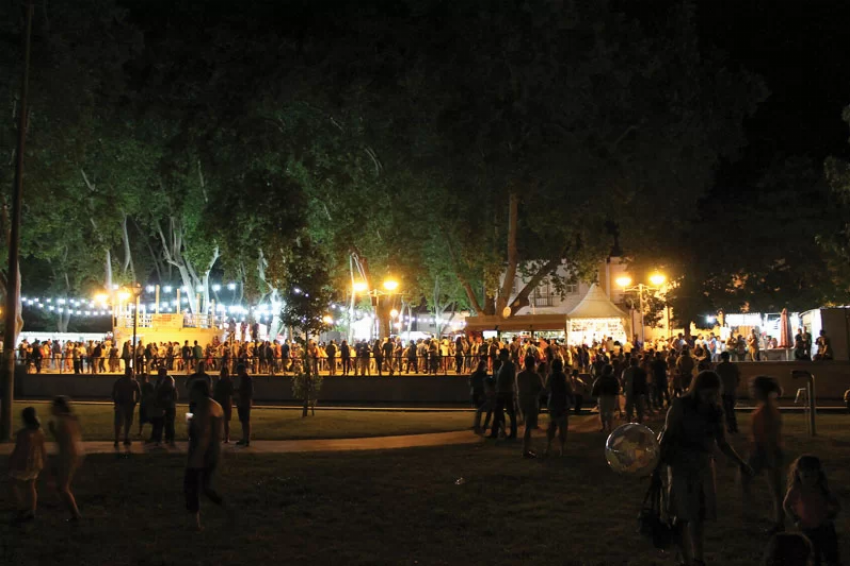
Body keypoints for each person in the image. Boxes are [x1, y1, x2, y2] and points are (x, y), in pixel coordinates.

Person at [658, 371, 754, 566]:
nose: (709, 398)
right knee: (683, 514)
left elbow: (722, 442)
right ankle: (686, 558)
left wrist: (740, 463)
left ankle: (697, 558)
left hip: (702, 465)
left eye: (713, 394)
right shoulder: (681, 406)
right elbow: (668, 436)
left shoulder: (714, 411)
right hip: (682, 466)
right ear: (697, 390)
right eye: (706, 394)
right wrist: (658, 465)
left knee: (698, 515)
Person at [742, 376, 785, 535]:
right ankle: (774, 518)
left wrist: (769, 454)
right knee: (774, 488)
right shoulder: (767, 408)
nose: (751, 391)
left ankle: (762, 515)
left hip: (765, 451)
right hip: (766, 450)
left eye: (753, 388)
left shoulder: (765, 411)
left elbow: (768, 435)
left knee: (772, 487)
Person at [184, 380, 229, 531]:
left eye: (192, 390)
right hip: (214, 452)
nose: (189, 394)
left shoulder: (203, 407)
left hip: (201, 454)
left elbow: (201, 433)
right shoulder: (215, 406)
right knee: (205, 487)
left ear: (198, 391)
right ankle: (226, 508)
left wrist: (196, 458)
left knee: (192, 487)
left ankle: (195, 523)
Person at [783, 455, 841, 566]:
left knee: (831, 556)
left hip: (825, 528)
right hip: (807, 529)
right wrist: (795, 520)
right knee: (813, 556)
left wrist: (830, 517)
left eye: (814, 476)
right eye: (806, 476)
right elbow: (786, 505)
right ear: (798, 474)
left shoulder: (821, 488)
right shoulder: (796, 489)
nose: (810, 480)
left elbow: (836, 505)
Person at [8, 407, 47, 523]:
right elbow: (43, 449)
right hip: (35, 464)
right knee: (31, 486)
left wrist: (11, 460)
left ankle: (21, 507)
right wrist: (44, 461)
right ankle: (32, 510)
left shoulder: (23, 433)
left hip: (23, 463)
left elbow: (18, 449)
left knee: (12, 483)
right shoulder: (40, 432)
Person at [49, 396, 84, 521]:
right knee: (60, 486)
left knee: (63, 487)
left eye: (53, 406)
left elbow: (65, 441)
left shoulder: (63, 421)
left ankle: (75, 515)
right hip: (71, 455)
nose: (51, 408)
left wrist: (52, 431)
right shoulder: (71, 419)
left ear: (59, 407)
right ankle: (70, 510)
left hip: (67, 456)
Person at [516, 356, 545, 458]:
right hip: (531, 401)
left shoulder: (519, 375)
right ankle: (525, 449)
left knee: (526, 423)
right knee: (528, 426)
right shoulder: (535, 376)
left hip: (522, 400)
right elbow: (541, 388)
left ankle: (528, 447)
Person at [544, 359, 572, 457]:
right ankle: (561, 449)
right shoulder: (564, 376)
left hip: (552, 402)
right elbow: (568, 389)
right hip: (563, 402)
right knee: (562, 426)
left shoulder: (550, 377)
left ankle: (548, 446)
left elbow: (546, 388)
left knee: (552, 424)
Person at [489, 349, 517, 440]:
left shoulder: (509, 365)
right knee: (499, 413)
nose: (499, 356)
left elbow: (511, 378)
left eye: (500, 354)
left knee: (508, 413)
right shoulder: (503, 365)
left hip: (506, 392)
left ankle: (509, 433)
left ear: (505, 355)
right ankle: (495, 433)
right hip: (503, 391)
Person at [112, 367, 142, 448]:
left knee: (126, 422)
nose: (129, 374)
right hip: (122, 404)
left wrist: (135, 402)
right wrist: (116, 402)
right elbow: (114, 392)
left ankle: (124, 438)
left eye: (130, 372)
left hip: (128, 404)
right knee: (120, 422)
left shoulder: (132, 382)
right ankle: (118, 439)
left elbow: (139, 393)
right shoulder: (122, 382)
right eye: (128, 372)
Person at [715, 351, 741, 434]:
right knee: (731, 409)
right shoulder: (733, 366)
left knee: (726, 410)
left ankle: (729, 427)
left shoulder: (719, 366)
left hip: (723, 390)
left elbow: (716, 378)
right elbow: (738, 377)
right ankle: (734, 426)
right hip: (732, 390)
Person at [591, 365, 619, 434]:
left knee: (602, 412)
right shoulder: (614, 379)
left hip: (602, 396)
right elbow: (617, 387)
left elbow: (595, 386)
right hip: (611, 397)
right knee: (610, 412)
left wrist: (594, 394)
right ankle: (609, 427)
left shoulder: (600, 378)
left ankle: (603, 426)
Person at [623, 356, 648, 424]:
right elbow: (644, 381)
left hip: (629, 390)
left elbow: (623, 380)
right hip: (639, 391)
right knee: (639, 408)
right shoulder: (641, 370)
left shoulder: (626, 370)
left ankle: (628, 422)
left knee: (629, 408)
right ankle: (640, 422)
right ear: (637, 363)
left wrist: (623, 390)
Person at [213, 366, 234, 443]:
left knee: (225, 421)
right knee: (222, 421)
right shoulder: (225, 382)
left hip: (225, 402)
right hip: (223, 402)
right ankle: (223, 437)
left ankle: (226, 437)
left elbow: (230, 393)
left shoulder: (224, 382)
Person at [236, 364, 253, 447]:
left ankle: (247, 439)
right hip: (242, 402)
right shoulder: (242, 379)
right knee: (243, 421)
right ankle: (244, 438)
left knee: (246, 421)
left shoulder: (247, 379)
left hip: (245, 402)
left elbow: (249, 391)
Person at [469, 360, 488, 433]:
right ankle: (477, 425)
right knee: (480, 409)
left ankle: (477, 424)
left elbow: (470, 383)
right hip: (480, 393)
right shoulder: (482, 374)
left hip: (474, 392)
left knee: (478, 409)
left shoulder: (474, 373)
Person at [138, 373, 155, 439]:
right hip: (143, 403)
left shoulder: (149, 385)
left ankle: (153, 432)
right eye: (143, 378)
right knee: (141, 418)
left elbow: (152, 393)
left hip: (148, 404)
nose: (143, 379)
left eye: (145, 378)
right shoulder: (141, 385)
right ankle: (140, 432)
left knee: (150, 418)